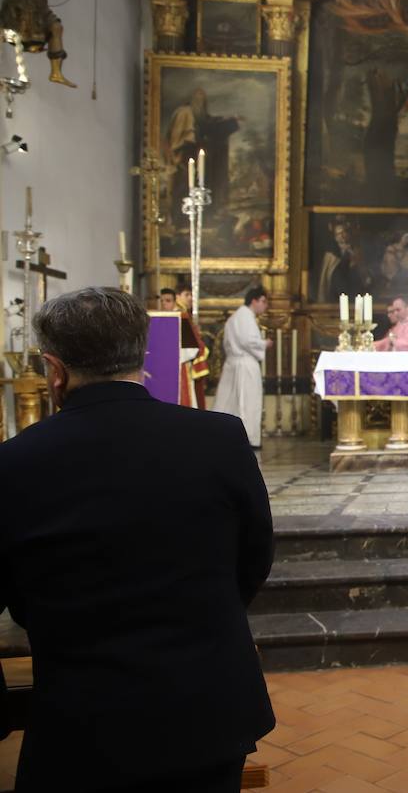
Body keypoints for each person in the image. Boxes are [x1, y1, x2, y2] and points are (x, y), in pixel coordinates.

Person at [0, 287, 274, 791]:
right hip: (206, 712)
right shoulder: (219, 439)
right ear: (142, 354)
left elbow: (11, 590)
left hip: (80, 718)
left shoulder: (13, 463)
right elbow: (254, 559)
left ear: (54, 369)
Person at [213, 286, 271, 448]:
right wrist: (264, 343)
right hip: (245, 364)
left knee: (229, 401)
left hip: (233, 363)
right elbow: (248, 341)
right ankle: (248, 439)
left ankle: (225, 436)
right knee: (247, 402)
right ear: (254, 301)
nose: (265, 306)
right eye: (263, 302)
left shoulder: (235, 317)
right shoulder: (246, 316)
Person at [158, 286, 211, 408]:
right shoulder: (153, 320)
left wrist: (171, 355)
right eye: (161, 301)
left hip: (180, 365)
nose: (164, 304)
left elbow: (193, 346)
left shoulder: (182, 319)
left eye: (167, 300)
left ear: (174, 301)